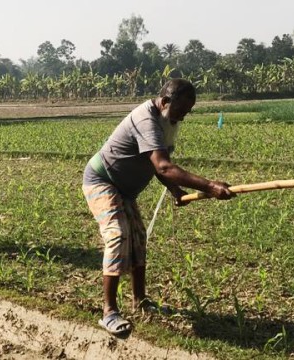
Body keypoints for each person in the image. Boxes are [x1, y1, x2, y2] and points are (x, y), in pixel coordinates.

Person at [82, 78, 235, 336]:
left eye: (187, 113)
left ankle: (140, 300)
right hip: (103, 181)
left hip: (125, 189)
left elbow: (159, 166)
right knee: (118, 236)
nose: (183, 118)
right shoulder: (146, 119)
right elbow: (164, 166)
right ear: (165, 101)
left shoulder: (168, 122)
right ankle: (109, 312)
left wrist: (174, 189)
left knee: (139, 238)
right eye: (180, 111)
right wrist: (208, 186)